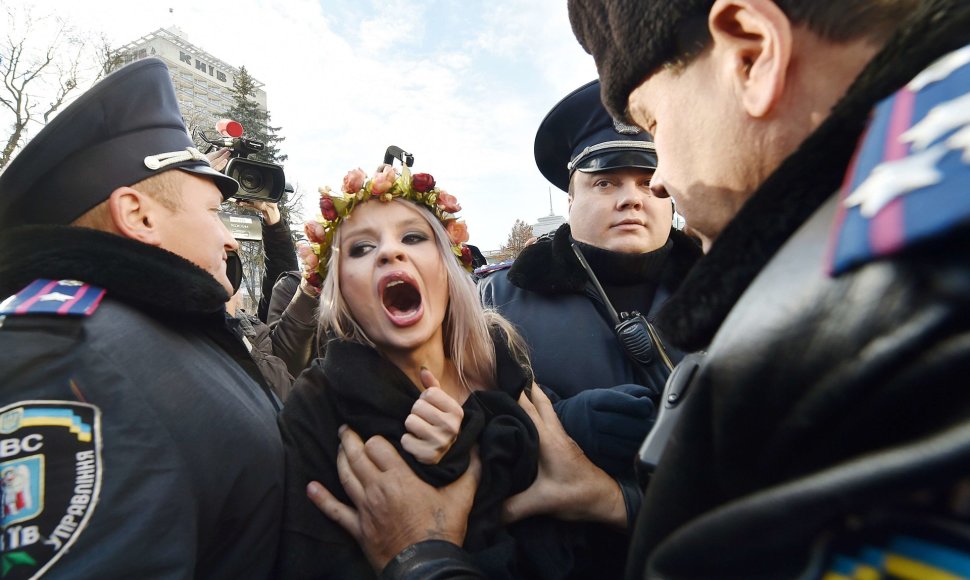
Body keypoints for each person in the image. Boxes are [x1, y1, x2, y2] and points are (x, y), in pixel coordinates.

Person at [308, 0, 970, 578]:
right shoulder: (895, 231)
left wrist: (424, 557)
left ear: (753, 53)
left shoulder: (869, 302)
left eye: (653, 127)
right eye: (607, 179)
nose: (655, 183)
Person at [0, 57, 282, 577]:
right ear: (139, 215)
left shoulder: (148, 329)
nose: (227, 239)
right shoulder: (68, 359)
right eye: (212, 212)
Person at [276, 163, 624, 579]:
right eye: (361, 248)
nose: (390, 252)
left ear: (446, 266)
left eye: (413, 236)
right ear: (342, 292)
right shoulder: (317, 405)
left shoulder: (501, 358)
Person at [478, 79, 700, 481]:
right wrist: (556, 425)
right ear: (570, 200)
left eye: (648, 182)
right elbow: (468, 422)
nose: (631, 198)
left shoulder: (723, 288)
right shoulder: (500, 300)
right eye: (605, 182)